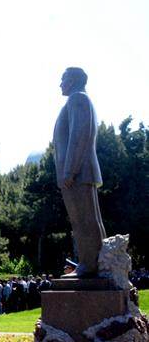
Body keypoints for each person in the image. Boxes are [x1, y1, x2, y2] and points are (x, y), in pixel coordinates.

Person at [54, 67, 106, 277]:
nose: (60, 84)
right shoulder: (80, 99)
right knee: (88, 219)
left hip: (77, 173)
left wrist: (70, 170)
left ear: (73, 80)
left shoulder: (77, 99)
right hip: (80, 172)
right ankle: (97, 262)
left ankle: (88, 265)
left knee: (83, 219)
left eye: (63, 79)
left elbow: (79, 135)